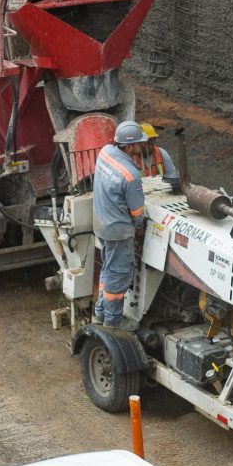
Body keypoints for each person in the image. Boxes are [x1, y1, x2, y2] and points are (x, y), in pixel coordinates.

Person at [91, 121, 152, 329]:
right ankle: (111, 324)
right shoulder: (130, 174)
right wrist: (140, 227)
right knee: (118, 276)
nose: (142, 146)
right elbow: (137, 212)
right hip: (118, 231)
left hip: (101, 224)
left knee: (107, 270)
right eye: (139, 144)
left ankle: (99, 315)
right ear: (129, 147)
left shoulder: (105, 153)